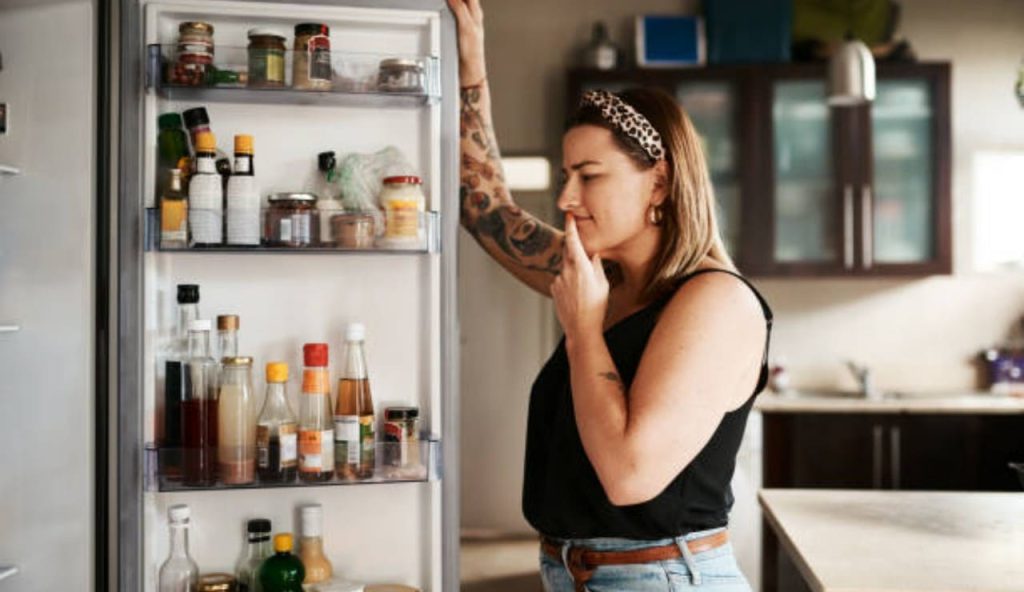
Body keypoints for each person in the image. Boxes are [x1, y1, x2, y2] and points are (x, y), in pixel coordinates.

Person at [448, 1, 773, 590]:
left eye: (589, 175)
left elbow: (629, 476)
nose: (566, 197)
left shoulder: (715, 303)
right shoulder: (602, 278)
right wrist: (470, 68)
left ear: (662, 181)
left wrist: (583, 331)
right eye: (566, 175)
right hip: (575, 573)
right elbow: (487, 210)